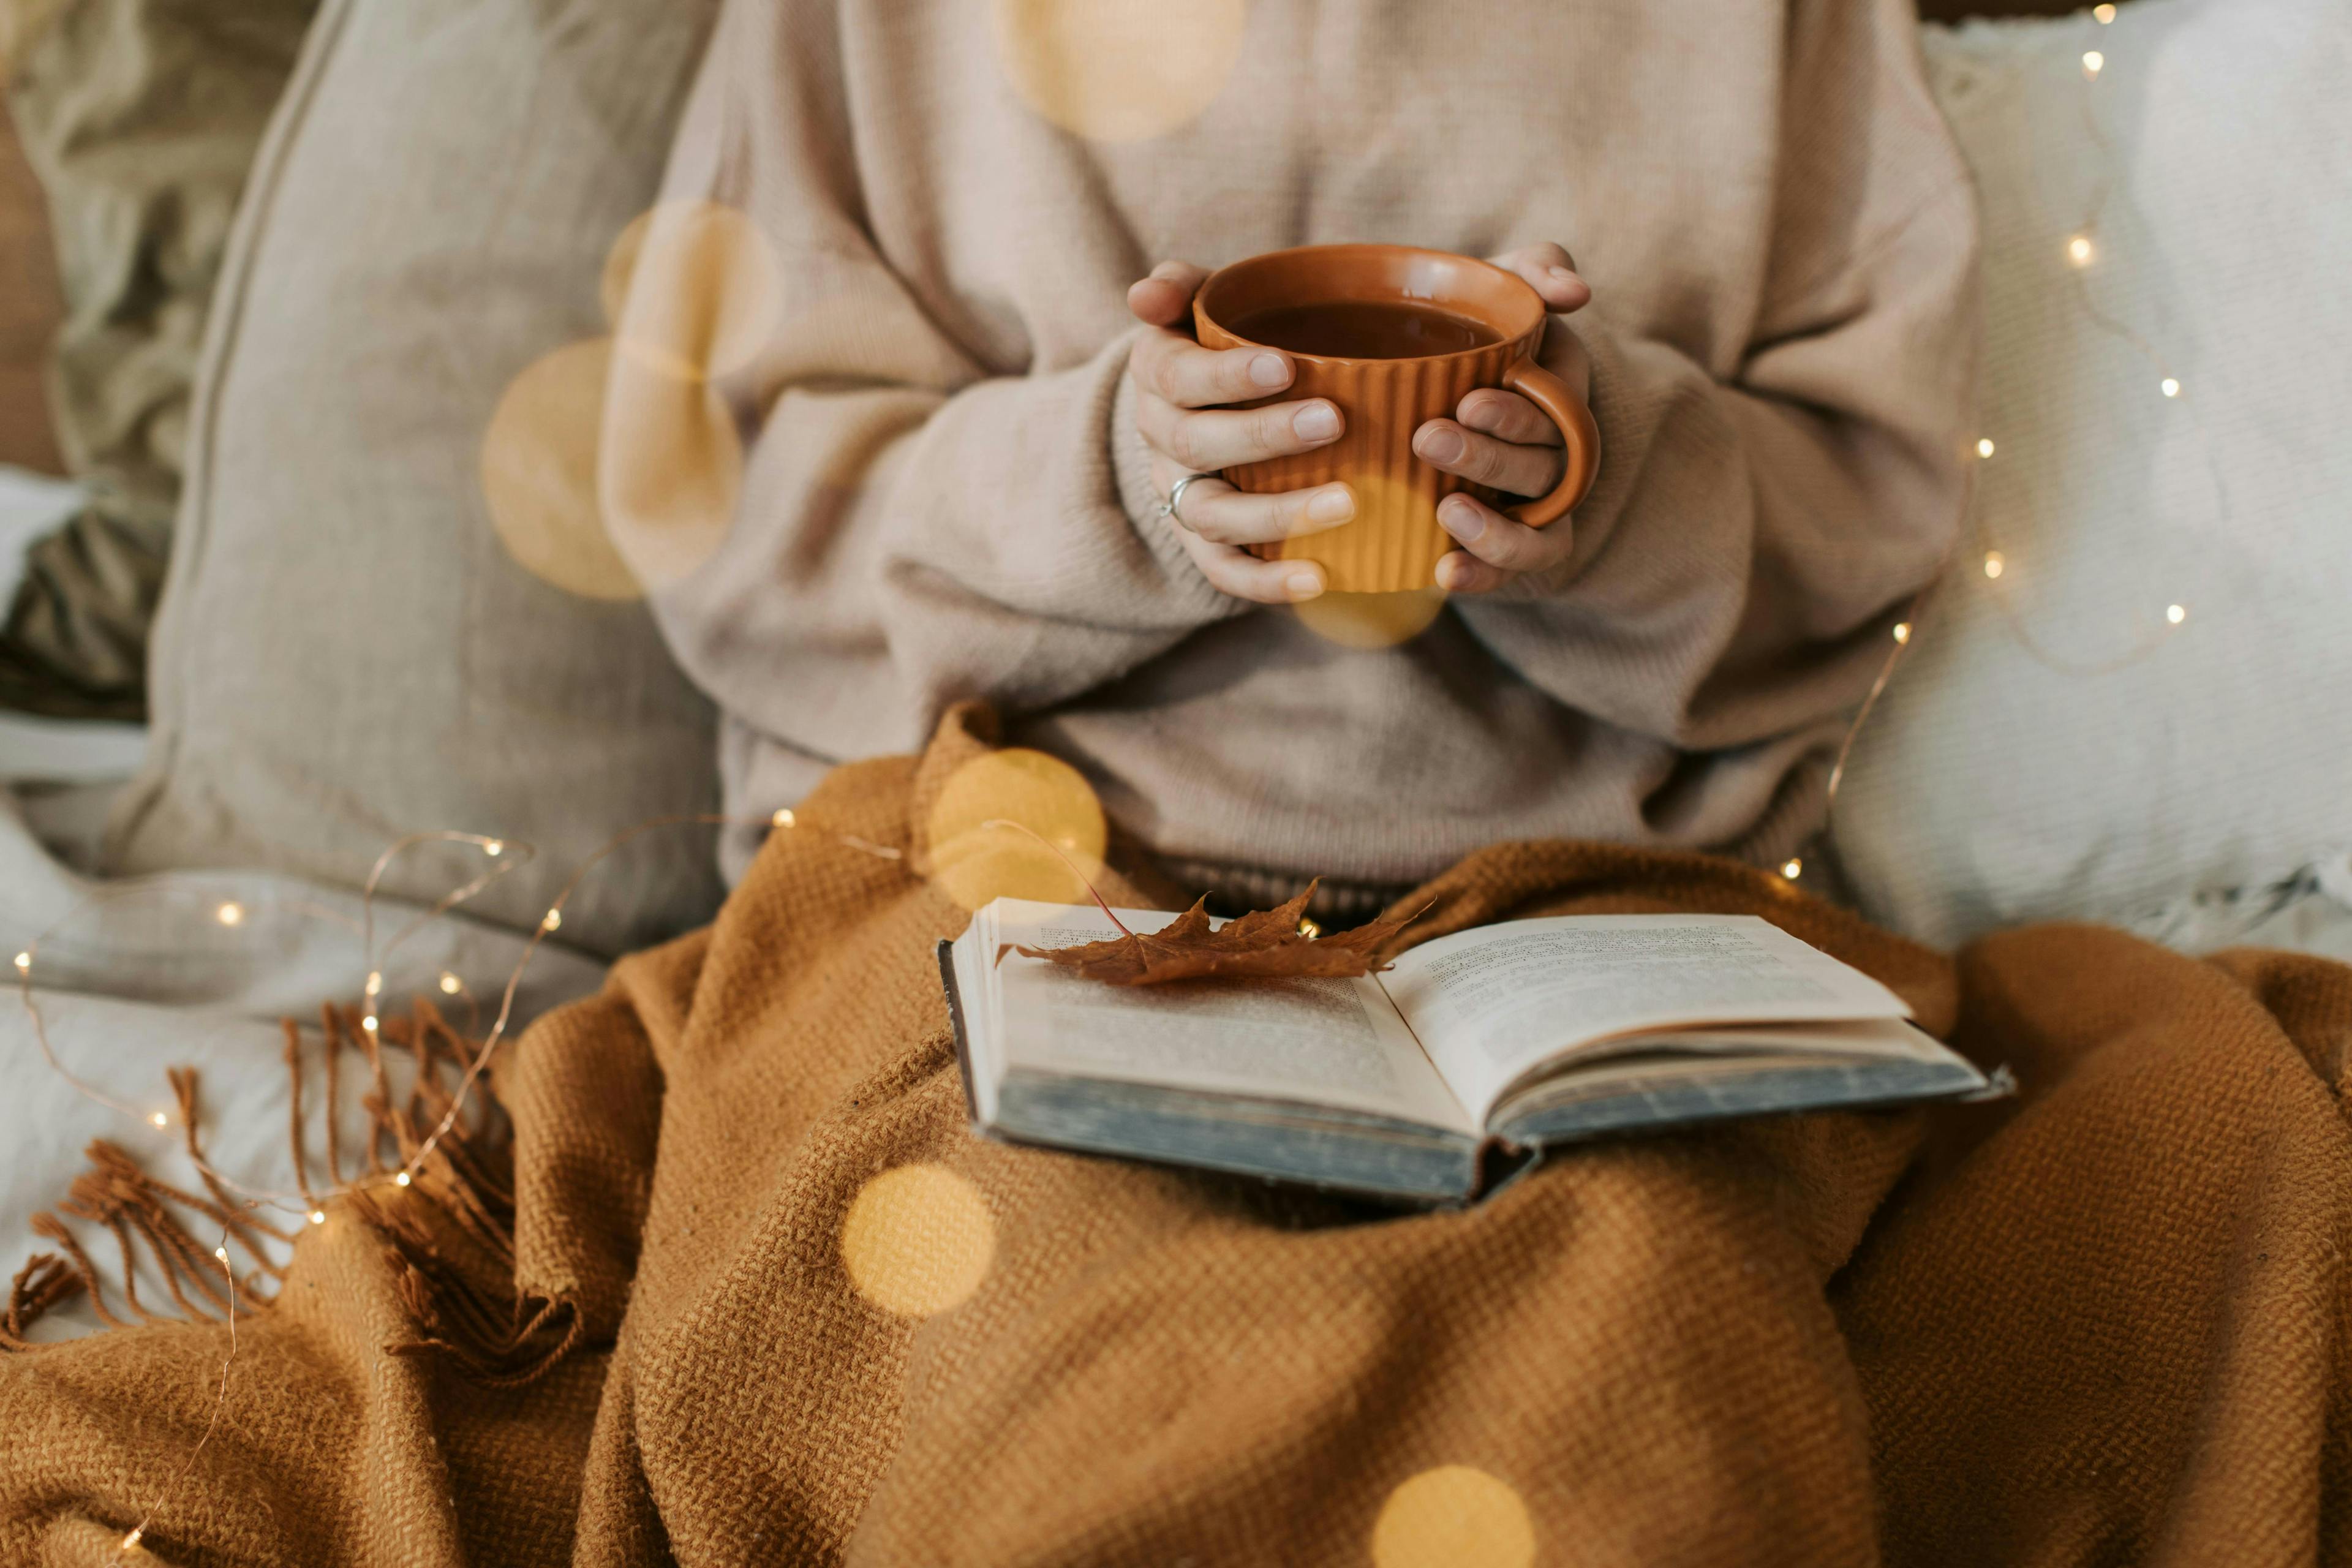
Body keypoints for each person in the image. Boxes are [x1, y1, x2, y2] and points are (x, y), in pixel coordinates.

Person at [635, 0, 1980, 916]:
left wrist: (1606, 474)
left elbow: (1870, 492)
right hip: (980, 877)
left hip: (1599, 904)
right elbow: (737, 507)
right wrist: (1116, 478)